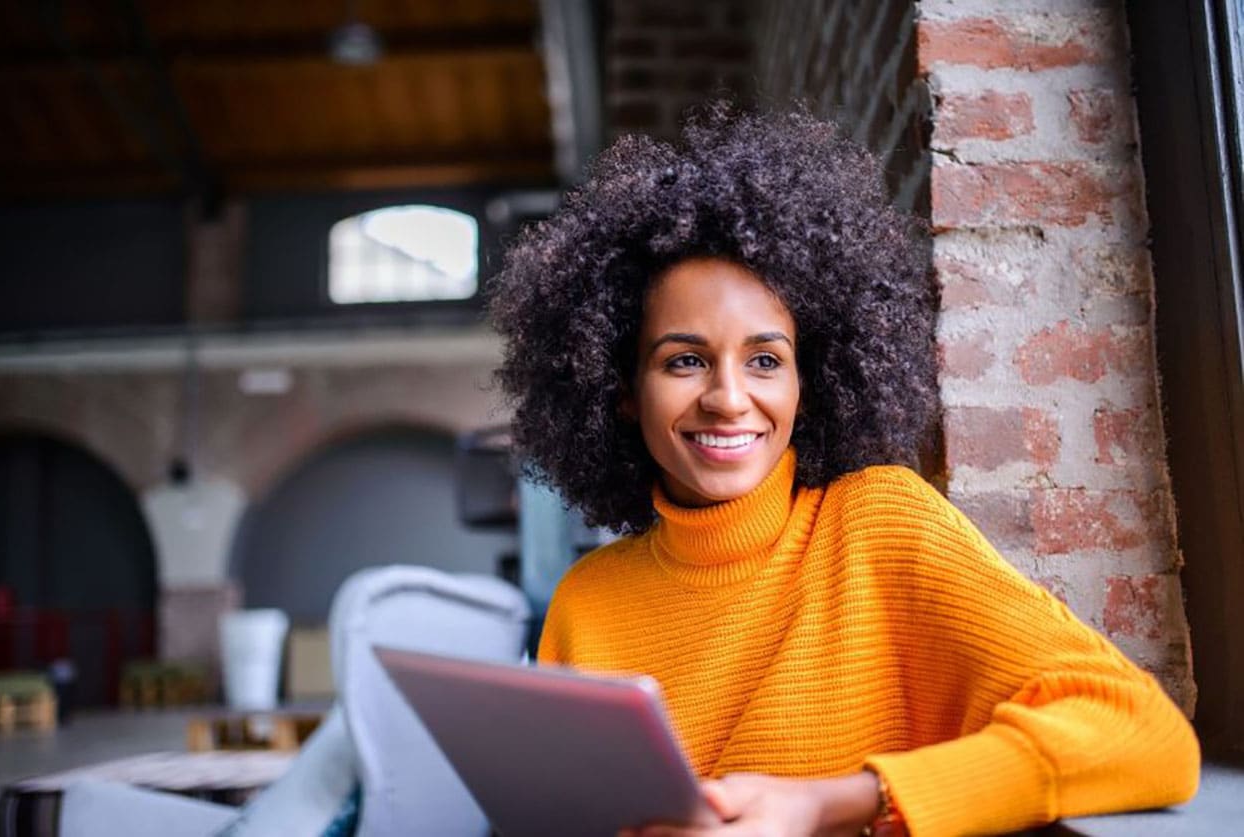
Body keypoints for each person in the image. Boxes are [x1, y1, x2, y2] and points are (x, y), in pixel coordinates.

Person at [487, 104, 1199, 837]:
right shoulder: (586, 605)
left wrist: (832, 801)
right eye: (685, 360)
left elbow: (1145, 735)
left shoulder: (878, 522)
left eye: (765, 359)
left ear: (808, 380)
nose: (730, 398)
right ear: (624, 393)